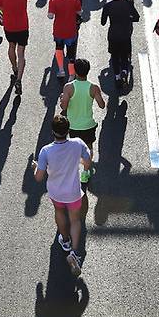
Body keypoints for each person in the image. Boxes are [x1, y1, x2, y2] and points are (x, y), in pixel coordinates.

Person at [33, 114, 92, 277]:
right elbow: (87, 162)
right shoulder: (77, 144)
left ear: (53, 132)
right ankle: (74, 252)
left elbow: (38, 177)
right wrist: (84, 169)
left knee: (59, 213)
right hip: (73, 192)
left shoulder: (46, 151)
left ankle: (64, 240)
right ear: (68, 130)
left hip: (56, 192)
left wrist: (35, 167)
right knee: (75, 220)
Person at [60, 57, 106, 183]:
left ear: (75, 70)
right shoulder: (94, 87)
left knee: (74, 149)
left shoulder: (68, 87)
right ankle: (85, 172)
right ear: (88, 71)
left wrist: (62, 100)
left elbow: (63, 107)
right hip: (88, 125)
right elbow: (102, 105)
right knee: (88, 148)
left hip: (73, 126)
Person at [0, 0, 32, 94]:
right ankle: (19, 80)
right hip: (22, 26)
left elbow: (1, 7)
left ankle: (14, 67)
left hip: (9, 27)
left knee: (11, 46)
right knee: (21, 53)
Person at [101, 0, 140, 85]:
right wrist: (128, 18)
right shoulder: (128, 4)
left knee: (114, 56)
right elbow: (136, 17)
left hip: (113, 34)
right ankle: (124, 71)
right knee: (124, 55)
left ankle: (117, 76)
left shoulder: (108, 6)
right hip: (125, 34)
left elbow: (103, 22)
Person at [48, 0, 82, 79]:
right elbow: (79, 12)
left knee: (59, 48)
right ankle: (71, 75)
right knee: (71, 54)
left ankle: (61, 70)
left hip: (58, 30)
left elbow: (50, 16)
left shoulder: (53, 0)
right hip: (71, 30)